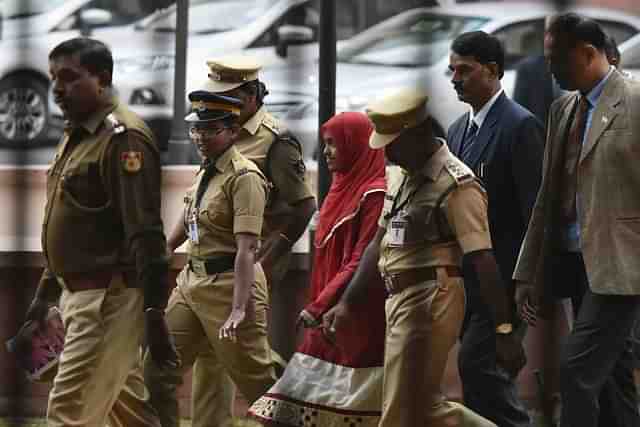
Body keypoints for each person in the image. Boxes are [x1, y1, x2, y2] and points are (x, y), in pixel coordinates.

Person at [323, 88, 525, 427]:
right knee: (423, 406)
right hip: (399, 299)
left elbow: (483, 259)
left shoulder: (457, 183)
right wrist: (347, 303)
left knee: (399, 411)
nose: (385, 152)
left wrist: (504, 329)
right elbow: (377, 243)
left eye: (392, 143)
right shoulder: (401, 175)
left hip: (432, 298)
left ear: (416, 135)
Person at [23, 37, 177, 427]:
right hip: (78, 298)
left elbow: (145, 232)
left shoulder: (123, 139)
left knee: (69, 414)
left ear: (103, 78)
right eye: (54, 77)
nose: (58, 88)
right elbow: (73, 224)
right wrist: (45, 295)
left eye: (71, 78)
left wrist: (155, 312)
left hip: (107, 302)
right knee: (129, 416)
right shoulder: (76, 135)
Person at [167, 55, 316, 427]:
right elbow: (198, 206)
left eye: (229, 94)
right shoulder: (210, 133)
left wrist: (264, 261)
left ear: (250, 94)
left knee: (252, 369)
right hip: (202, 273)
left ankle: (299, 413)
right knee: (208, 364)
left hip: (245, 267)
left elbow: (303, 205)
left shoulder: (275, 141)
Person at [514, 13, 640, 427]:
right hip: (573, 262)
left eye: (557, 61)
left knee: (576, 369)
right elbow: (546, 199)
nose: (548, 70)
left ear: (588, 54)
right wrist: (527, 271)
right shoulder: (562, 108)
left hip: (622, 267)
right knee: (612, 374)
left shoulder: (634, 102)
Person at [143, 90, 278, 427]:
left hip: (231, 286)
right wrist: (161, 252)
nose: (200, 137)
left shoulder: (245, 178)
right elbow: (188, 222)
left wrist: (238, 308)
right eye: (196, 129)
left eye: (211, 130)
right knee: (157, 370)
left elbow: (247, 248)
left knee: (259, 383)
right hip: (191, 283)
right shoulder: (206, 171)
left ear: (233, 132)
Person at [248, 112, 387, 426]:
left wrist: (322, 304)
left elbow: (360, 257)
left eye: (334, 144)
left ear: (357, 146)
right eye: (325, 144)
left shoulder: (374, 194)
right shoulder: (341, 187)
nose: (326, 152)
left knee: (330, 405)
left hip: (352, 313)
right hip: (326, 313)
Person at [447, 31, 544, 427]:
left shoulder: (520, 127)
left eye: (464, 71)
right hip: (465, 281)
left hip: (504, 279)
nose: (454, 79)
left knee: (478, 366)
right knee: (479, 379)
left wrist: (526, 282)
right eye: (451, 70)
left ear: (492, 71)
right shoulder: (456, 131)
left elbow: (535, 213)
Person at [512, 17, 563, 126]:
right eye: (548, 33)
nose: (551, 39)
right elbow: (517, 116)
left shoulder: (587, 69)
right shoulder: (528, 69)